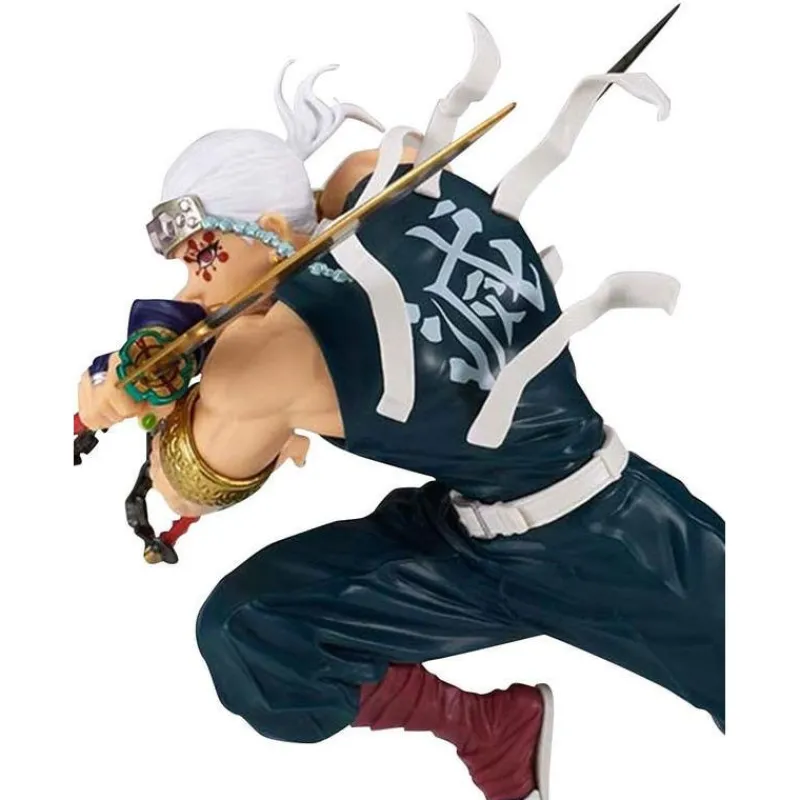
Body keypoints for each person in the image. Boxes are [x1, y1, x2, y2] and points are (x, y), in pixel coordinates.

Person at [77, 24, 724, 800]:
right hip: (464, 534)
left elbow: (182, 488)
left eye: (200, 261)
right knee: (255, 630)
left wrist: (116, 393)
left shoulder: (264, 361)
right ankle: (492, 730)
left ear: (273, 232)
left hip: (605, 536)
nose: (189, 293)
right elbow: (359, 221)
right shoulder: (385, 173)